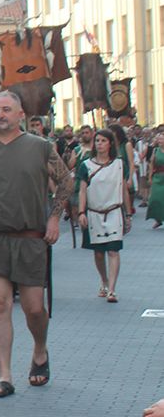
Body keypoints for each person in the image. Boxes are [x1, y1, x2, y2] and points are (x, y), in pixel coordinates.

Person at [0, 92, 68, 398]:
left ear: (20, 114)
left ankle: (39, 350)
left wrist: (54, 219)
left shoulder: (40, 147)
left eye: (6, 109)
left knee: (35, 309)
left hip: (30, 239)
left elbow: (65, 181)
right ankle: (4, 375)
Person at [78, 127, 128, 303]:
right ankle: (104, 280)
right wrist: (81, 212)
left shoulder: (119, 164)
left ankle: (112, 289)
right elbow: (82, 191)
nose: (99, 144)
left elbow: (124, 188)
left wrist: (127, 214)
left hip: (114, 211)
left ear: (110, 144)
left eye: (103, 141)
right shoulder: (86, 165)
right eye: (97, 141)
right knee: (99, 253)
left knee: (113, 250)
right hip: (94, 213)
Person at [148, 133, 164, 229]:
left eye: (162, 139)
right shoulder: (155, 150)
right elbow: (151, 164)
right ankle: (158, 219)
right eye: (159, 140)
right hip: (158, 177)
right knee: (155, 198)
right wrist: (150, 177)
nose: (160, 141)